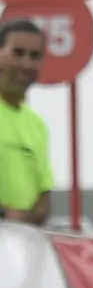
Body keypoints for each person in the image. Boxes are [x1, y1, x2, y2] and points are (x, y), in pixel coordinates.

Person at [0, 19, 52, 226]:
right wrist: (4, 216)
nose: (26, 63)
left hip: (22, 249)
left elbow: (44, 194)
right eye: (18, 53)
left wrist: (25, 222)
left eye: (35, 56)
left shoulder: (37, 124)